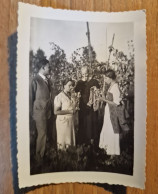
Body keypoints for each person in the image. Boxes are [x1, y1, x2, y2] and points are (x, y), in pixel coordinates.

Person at [30, 59, 52, 162]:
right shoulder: (35, 80)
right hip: (39, 113)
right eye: (48, 66)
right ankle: (39, 159)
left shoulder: (47, 80)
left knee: (45, 134)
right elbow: (31, 98)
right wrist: (31, 114)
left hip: (47, 112)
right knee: (41, 134)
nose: (50, 68)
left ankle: (43, 154)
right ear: (43, 67)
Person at [75, 66, 100, 145]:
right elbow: (75, 91)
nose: (85, 75)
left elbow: (97, 93)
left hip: (91, 106)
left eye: (86, 73)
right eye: (83, 74)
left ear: (89, 73)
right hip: (83, 106)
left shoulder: (94, 81)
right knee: (83, 122)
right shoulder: (80, 82)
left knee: (91, 123)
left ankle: (92, 142)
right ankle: (83, 141)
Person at [99, 69, 122, 155]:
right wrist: (103, 96)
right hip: (108, 112)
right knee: (108, 129)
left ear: (110, 78)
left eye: (106, 78)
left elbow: (116, 103)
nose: (105, 80)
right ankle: (108, 151)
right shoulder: (111, 86)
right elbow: (109, 99)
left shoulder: (116, 87)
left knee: (112, 130)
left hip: (112, 113)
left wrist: (104, 99)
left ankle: (113, 154)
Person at [54, 79, 76, 149]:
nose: (71, 87)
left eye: (72, 85)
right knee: (63, 141)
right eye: (69, 85)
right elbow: (56, 111)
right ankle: (62, 157)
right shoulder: (59, 96)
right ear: (64, 86)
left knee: (70, 140)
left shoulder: (71, 96)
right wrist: (69, 112)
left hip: (70, 121)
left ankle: (70, 156)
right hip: (63, 122)